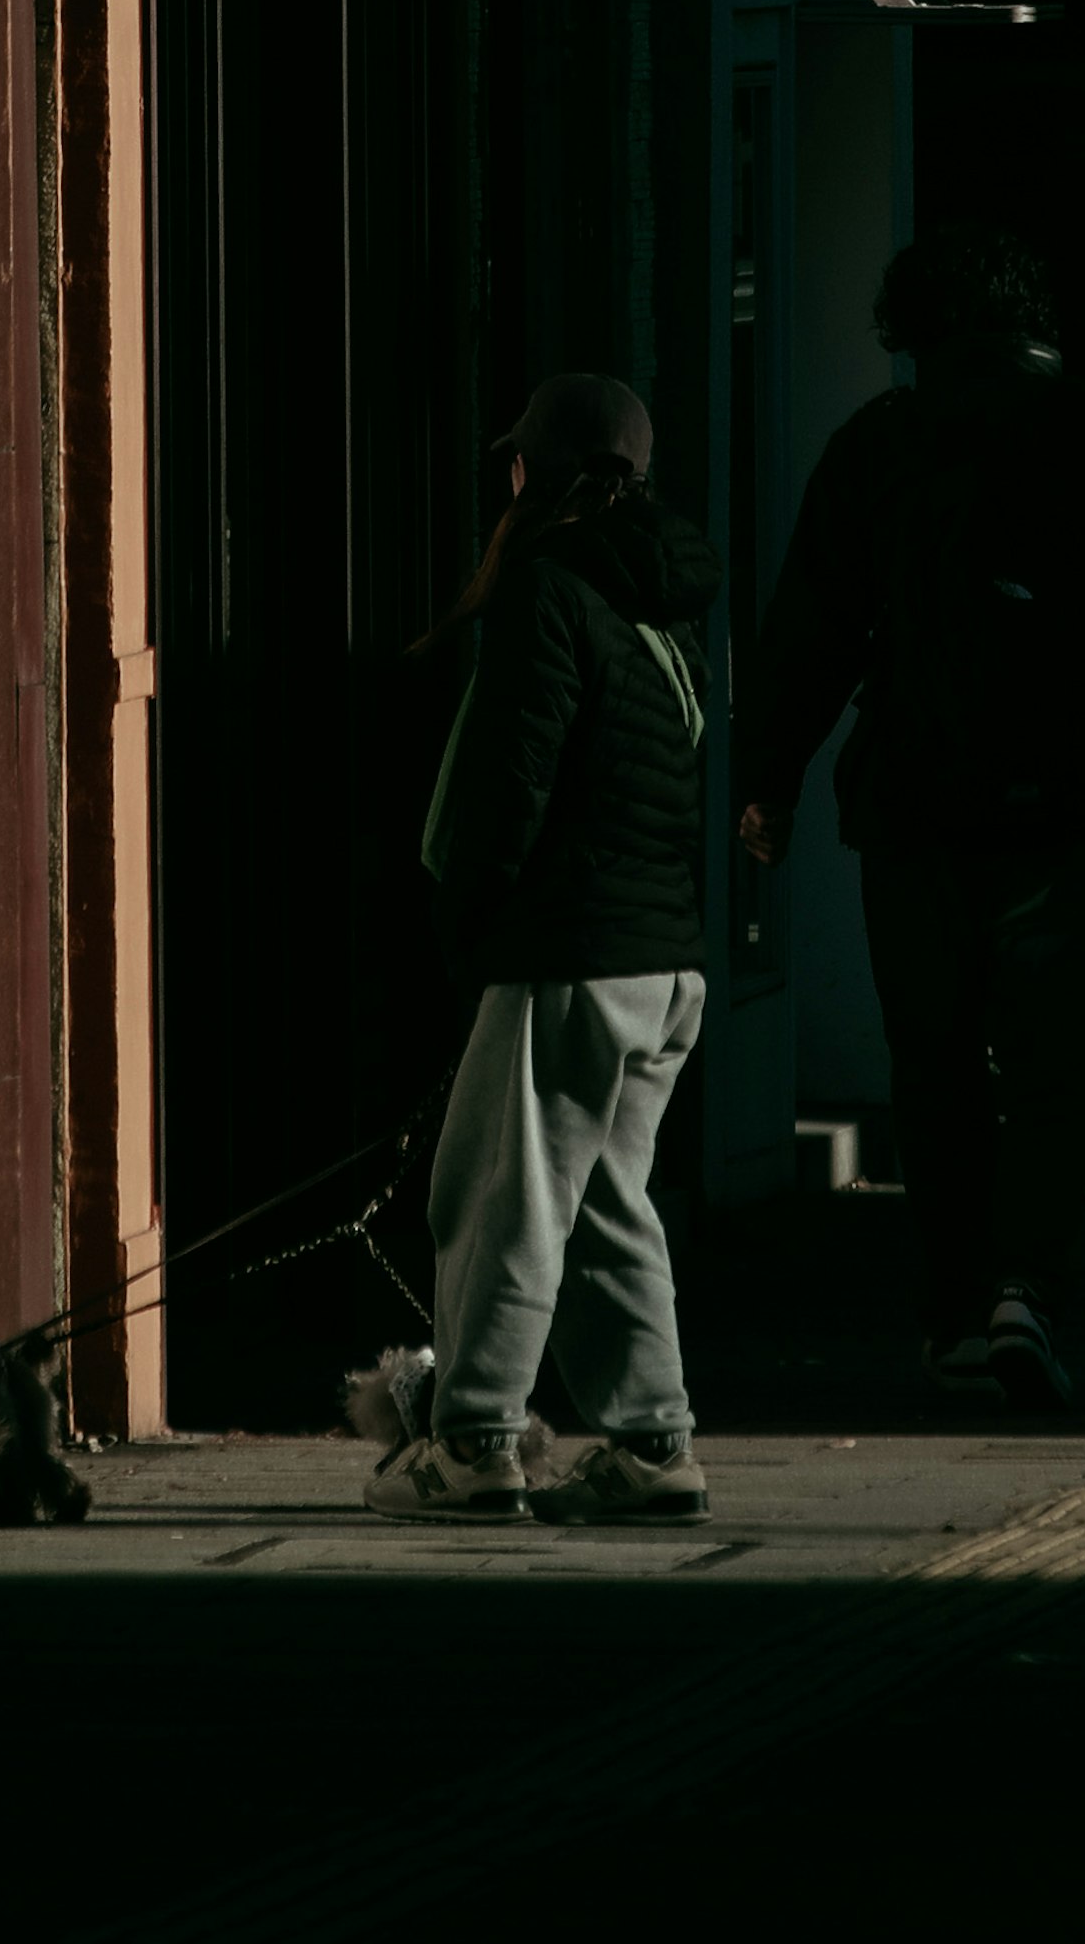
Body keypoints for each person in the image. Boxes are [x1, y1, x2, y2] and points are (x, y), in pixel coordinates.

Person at [731, 232, 1085, 1415]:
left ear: (913, 331)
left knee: (938, 1067)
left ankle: (956, 1307)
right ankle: (1029, 1291)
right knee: (1058, 1072)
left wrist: (774, 775)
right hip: (1076, 809)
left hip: (913, 809)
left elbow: (813, 623)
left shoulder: (879, 448)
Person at [384, 369, 722, 1529]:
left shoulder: (546, 593)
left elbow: (501, 793)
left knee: (498, 1198)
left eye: (518, 460)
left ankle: (472, 1438)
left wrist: (468, 932)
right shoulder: (657, 614)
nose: (507, 478)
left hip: (569, 955)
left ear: (548, 475)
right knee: (606, 1203)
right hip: (662, 963)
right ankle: (651, 1439)